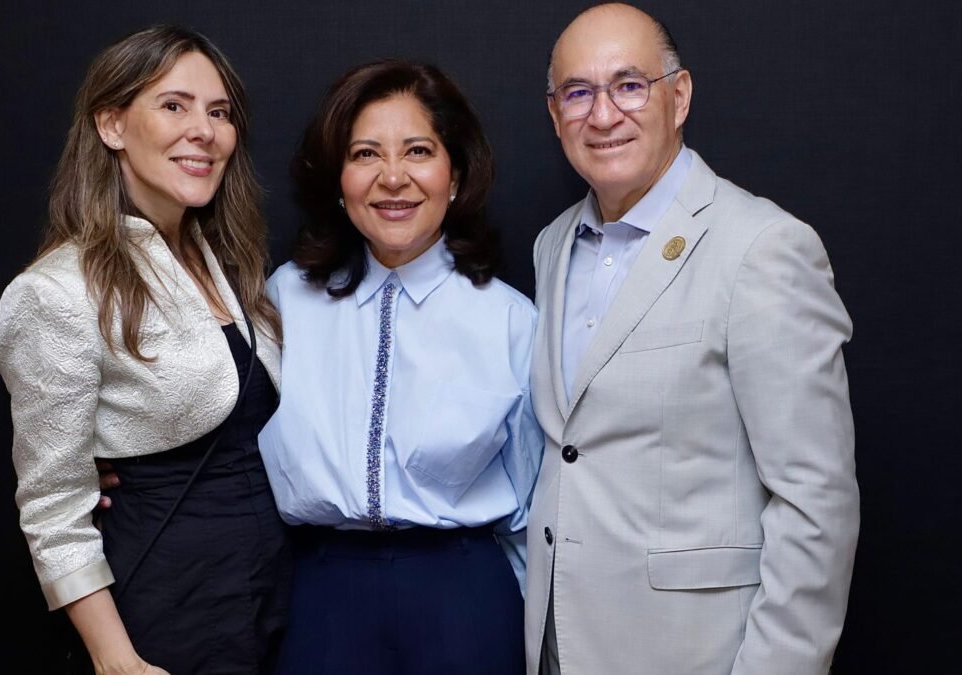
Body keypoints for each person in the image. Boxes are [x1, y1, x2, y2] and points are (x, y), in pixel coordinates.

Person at [524, 4, 860, 674]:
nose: (603, 114)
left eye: (628, 85)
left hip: (697, 653)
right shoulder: (552, 244)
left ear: (678, 97)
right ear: (555, 112)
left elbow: (815, 499)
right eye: (579, 92)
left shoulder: (761, 248)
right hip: (559, 645)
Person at [0, 25, 290, 675]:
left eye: (219, 112)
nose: (204, 130)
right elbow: (52, 507)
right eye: (174, 104)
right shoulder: (54, 292)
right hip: (163, 610)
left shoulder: (231, 263)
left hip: (267, 596)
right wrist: (115, 658)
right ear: (111, 125)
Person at [255, 60, 543, 675]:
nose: (393, 178)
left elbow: (533, 503)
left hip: (463, 597)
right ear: (338, 178)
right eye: (365, 154)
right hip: (320, 596)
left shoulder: (511, 320)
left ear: (455, 174)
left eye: (418, 150)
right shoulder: (281, 301)